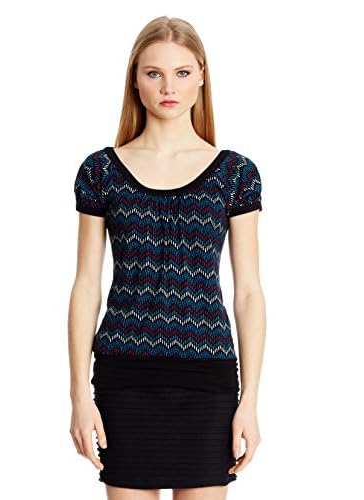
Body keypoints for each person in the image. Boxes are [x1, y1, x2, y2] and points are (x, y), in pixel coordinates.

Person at [69, 15, 266, 500]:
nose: (168, 87)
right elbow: (87, 285)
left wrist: (250, 400)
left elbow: (248, 292)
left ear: (201, 76)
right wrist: (78, 395)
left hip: (208, 380)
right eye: (154, 72)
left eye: (181, 72)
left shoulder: (235, 174)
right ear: (135, 80)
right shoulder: (100, 171)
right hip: (123, 378)